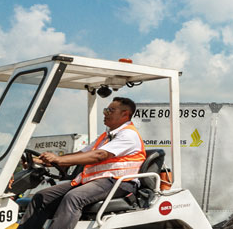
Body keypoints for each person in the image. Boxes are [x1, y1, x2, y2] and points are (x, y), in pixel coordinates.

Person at [19, 97, 147, 229]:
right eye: (105, 110)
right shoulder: (105, 137)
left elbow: (99, 155)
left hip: (119, 182)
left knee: (73, 197)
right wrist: (41, 162)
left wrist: (59, 159)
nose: (105, 113)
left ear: (125, 114)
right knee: (42, 197)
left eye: (110, 110)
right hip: (97, 181)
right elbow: (80, 154)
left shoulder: (128, 135)